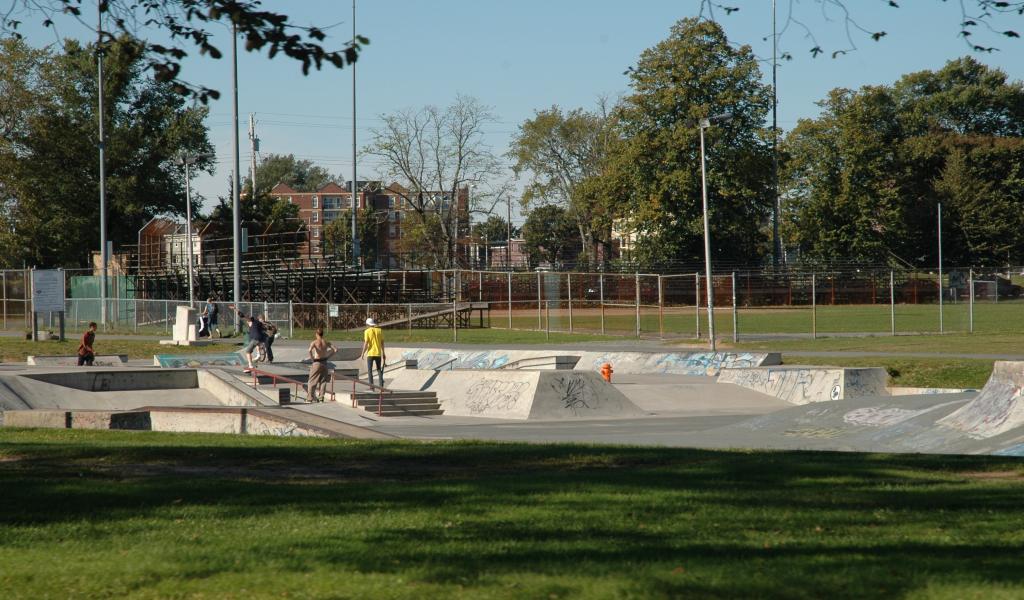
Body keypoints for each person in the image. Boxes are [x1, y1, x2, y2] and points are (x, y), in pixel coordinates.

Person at [228, 305, 266, 371]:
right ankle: (258, 355)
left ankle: (250, 366)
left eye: (247, 321)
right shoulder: (259, 323)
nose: (247, 322)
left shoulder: (251, 320)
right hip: (261, 339)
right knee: (257, 344)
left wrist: (235, 309)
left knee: (248, 352)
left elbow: (242, 315)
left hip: (255, 339)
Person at [307, 327, 336, 402]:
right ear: (322, 334)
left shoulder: (314, 342)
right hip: (324, 362)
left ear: (316, 334)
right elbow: (335, 350)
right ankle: (321, 397)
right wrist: (328, 356)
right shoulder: (326, 342)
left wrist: (312, 358)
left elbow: (309, 350)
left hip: (317, 362)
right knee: (323, 381)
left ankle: (309, 398)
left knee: (312, 380)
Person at [361, 317, 386, 387]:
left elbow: (366, 343)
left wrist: (362, 353)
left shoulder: (367, 331)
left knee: (370, 370)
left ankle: (371, 387)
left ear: (368, 324)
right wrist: (383, 353)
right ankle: (381, 386)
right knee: (379, 370)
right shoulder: (379, 330)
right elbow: (382, 342)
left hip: (370, 354)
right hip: (378, 353)